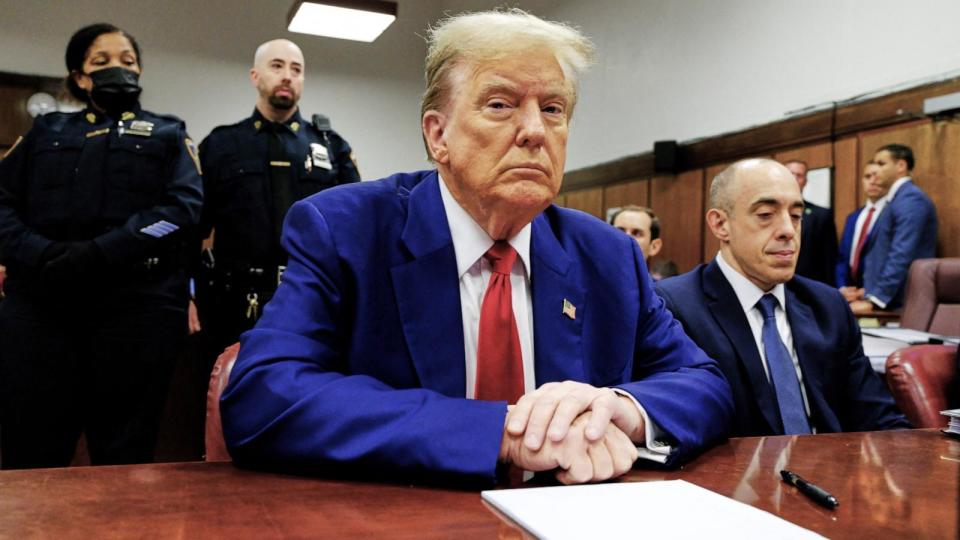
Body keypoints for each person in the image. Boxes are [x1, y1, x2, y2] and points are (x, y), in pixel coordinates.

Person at [220, 9, 733, 486]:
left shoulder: (608, 255)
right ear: (437, 135)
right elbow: (263, 395)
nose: (535, 131)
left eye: (552, 109)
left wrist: (623, 407)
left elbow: (703, 383)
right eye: (500, 104)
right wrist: (502, 431)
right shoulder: (346, 231)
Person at [0, 24, 203, 468]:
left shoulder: (168, 134)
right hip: (42, 306)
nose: (118, 69)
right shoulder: (44, 132)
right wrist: (39, 252)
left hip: (136, 308)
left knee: (125, 453)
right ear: (79, 76)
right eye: (101, 61)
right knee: (31, 448)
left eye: (128, 61)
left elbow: (181, 211)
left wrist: (104, 250)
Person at [655, 159, 909, 437]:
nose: (789, 230)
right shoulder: (673, 307)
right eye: (766, 214)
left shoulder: (828, 306)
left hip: (831, 471)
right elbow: (675, 425)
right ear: (720, 224)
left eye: (797, 216)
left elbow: (877, 417)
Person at [197, 38, 360, 357]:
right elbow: (195, 229)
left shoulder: (331, 147)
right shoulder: (221, 144)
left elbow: (354, 229)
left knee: (302, 387)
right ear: (255, 76)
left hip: (312, 294)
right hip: (234, 299)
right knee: (232, 388)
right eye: (277, 66)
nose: (287, 75)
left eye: (296, 69)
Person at [849, 144, 937, 313]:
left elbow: (902, 254)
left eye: (881, 164)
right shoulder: (896, 199)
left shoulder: (910, 198)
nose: (876, 170)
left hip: (899, 303)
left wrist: (876, 299)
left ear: (901, 166)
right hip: (887, 300)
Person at [836, 161, 888, 296]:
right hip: (850, 294)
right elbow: (842, 258)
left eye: (877, 177)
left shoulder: (892, 215)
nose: (872, 181)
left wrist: (868, 291)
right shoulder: (853, 217)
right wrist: (842, 287)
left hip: (878, 295)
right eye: (867, 176)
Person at [783, 160, 838, 286]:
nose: (794, 178)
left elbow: (829, 260)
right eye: (791, 174)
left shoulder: (821, 215)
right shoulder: (766, 213)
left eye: (799, 175)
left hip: (809, 286)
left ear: (805, 181)